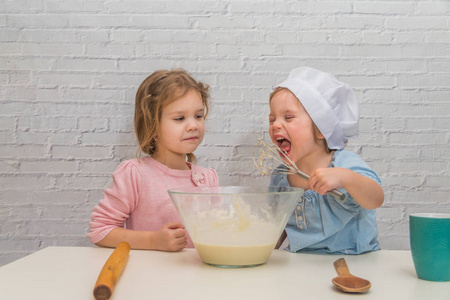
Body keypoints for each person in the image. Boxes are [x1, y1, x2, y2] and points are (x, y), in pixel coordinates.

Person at [88, 69, 219, 252]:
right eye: (179, 118)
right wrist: (153, 241)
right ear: (152, 125)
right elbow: (100, 231)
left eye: (198, 116)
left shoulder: (208, 178)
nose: (193, 125)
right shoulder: (135, 173)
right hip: (148, 276)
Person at [269, 67, 384, 254]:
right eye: (272, 119)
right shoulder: (281, 177)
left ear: (322, 128)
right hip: (302, 263)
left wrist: (347, 178)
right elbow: (277, 224)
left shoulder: (345, 164)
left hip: (355, 261)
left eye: (288, 117)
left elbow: (376, 199)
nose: (275, 125)